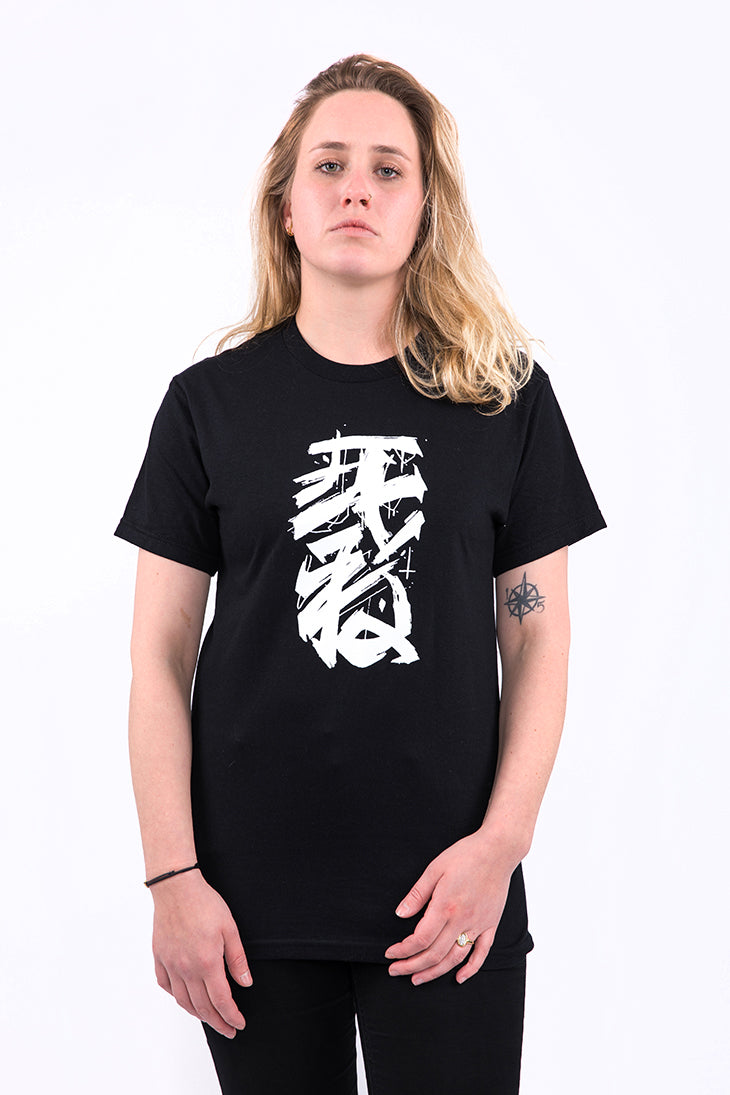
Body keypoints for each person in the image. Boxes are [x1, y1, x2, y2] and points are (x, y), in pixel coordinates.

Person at [115, 53, 606, 1095]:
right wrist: (172, 877)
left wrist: (500, 847)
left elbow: (538, 634)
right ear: (286, 207)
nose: (356, 190)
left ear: (425, 211)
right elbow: (157, 656)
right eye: (329, 165)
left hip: (450, 896)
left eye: (389, 169)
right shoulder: (207, 406)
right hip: (247, 904)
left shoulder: (505, 401)